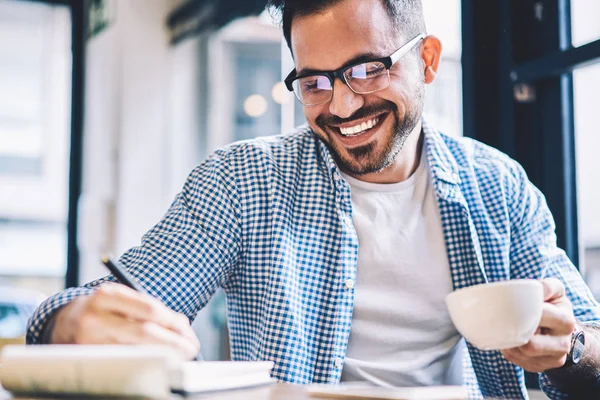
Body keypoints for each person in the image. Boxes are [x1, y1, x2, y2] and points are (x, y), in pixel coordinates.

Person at [26, 0, 600, 398]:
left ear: (425, 60)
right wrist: (69, 322)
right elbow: (95, 306)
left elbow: (590, 343)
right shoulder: (242, 181)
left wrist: (569, 349)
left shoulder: (497, 186)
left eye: (366, 70)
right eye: (314, 82)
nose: (342, 106)